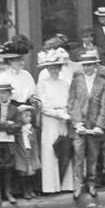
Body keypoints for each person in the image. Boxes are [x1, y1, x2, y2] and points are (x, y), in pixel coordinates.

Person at [68, 49, 105, 207]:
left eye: (90, 65)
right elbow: (72, 103)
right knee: (78, 155)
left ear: (95, 66)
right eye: (84, 65)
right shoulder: (76, 80)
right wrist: (77, 123)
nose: (87, 68)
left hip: (94, 126)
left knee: (93, 156)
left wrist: (100, 125)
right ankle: (78, 184)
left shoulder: (104, 82)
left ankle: (91, 183)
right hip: (79, 126)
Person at [35, 49, 74, 194]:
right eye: (51, 68)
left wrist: (67, 113)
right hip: (50, 120)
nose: (54, 70)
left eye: (56, 67)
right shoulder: (42, 83)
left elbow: (70, 100)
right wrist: (57, 114)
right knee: (50, 150)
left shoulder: (64, 83)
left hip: (64, 118)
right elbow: (43, 105)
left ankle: (66, 184)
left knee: (64, 149)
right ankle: (50, 186)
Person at [0, 81, 21, 205]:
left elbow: (18, 125)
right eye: (0, 93)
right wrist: (7, 124)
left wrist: (6, 126)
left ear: (10, 94)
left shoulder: (14, 109)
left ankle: (8, 192)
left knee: (8, 167)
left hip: (9, 140)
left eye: (5, 93)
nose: (3, 96)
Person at [14, 104, 41, 199]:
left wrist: (36, 154)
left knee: (31, 172)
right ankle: (24, 191)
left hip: (30, 152)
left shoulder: (32, 129)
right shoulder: (18, 130)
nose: (28, 118)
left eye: (30, 116)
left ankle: (31, 189)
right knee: (22, 172)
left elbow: (35, 143)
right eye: (26, 116)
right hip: (21, 153)